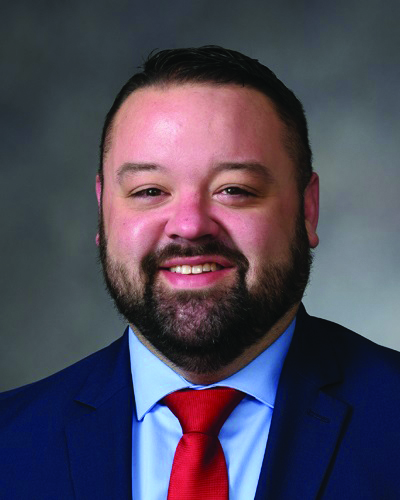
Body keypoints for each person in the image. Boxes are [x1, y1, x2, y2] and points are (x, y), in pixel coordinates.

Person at [0, 46, 399, 500]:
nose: (190, 225)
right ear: (103, 210)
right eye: (149, 191)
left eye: (235, 189)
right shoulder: (10, 444)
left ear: (308, 209)